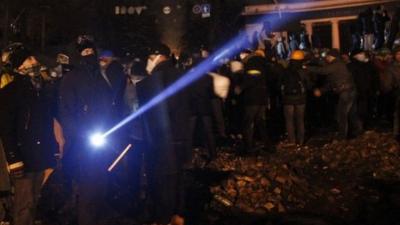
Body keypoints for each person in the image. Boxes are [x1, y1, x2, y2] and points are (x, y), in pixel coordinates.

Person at [58, 35, 124, 225]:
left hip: (103, 140)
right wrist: (77, 137)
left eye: (91, 51)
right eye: (84, 52)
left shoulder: (101, 78)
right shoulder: (71, 79)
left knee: (101, 184)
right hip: (84, 143)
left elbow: (110, 107)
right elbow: (67, 112)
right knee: (88, 188)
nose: (89, 55)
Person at [0, 42, 62, 225]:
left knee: (33, 201)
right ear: (20, 66)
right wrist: (14, 159)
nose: (35, 61)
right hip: (24, 158)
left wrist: (52, 149)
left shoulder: (40, 91)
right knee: (24, 204)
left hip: (39, 156)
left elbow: (45, 124)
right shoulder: (9, 93)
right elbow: (7, 130)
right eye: (29, 59)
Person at [136, 43, 190, 224]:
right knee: (179, 178)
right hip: (182, 137)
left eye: (149, 59)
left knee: (161, 182)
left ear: (156, 57)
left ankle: (163, 217)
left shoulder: (148, 83)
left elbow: (145, 117)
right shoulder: (183, 76)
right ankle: (179, 214)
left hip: (159, 142)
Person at [308, 49, 362, 140]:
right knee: (351, 113)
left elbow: (323, 71)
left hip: (346, 92)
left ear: (331, 57)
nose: (326, 59)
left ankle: (342, 136)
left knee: (341, 115)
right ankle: (357, 131)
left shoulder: (337, 65)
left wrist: (307, 68)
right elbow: (331, 83)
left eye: (327, 57)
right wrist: (322, 90)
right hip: (349, 91)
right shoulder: (337, 66)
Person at [237, 49, 273, 153]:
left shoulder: (252, 63)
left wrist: (241, 87)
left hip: (253, 98)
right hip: (262, 98)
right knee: (261, 122)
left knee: (248, 123)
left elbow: (252, 78)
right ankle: (267, 145)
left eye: (242, 55)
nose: (241, 58)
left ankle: (249, 146)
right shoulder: (263, 64)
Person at [280, 50, 310, 146]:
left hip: (288, 98)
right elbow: (309, 84)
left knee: (289, 120)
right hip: (300, 98)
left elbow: (279, 83)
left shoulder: (285, 71)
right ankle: (300, 141)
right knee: (300, 119)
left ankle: (292, 141)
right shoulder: (303, 71)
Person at [348, 49, 379, 128]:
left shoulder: (368, 65)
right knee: (360, 110)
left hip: (368, 91)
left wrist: (375, 88)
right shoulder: (352, 66)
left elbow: (374, 77)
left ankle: (366, 125)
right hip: (358, 92)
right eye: (361, 53)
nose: (363, 55)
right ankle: (359, 127)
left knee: (368, 109)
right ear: (355, 56)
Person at [385, 47, 400, 140]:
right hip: (398, 92)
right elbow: (388, 82)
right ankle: (396, 133)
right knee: (398, 113)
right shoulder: (392, 67)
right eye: (398, 54)